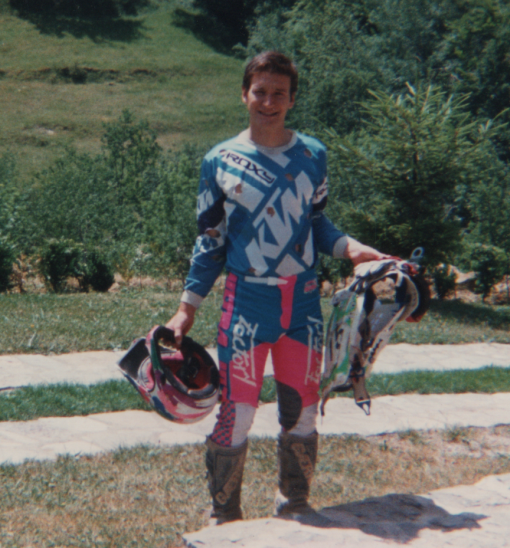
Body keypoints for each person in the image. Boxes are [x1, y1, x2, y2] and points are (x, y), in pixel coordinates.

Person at [165, 51, 388, 525]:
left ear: (292, 100)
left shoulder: (313, 155)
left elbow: (316, 223)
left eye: (278, 94)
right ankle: (224, 518)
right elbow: (210, 243)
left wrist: (350, 248)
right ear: (244, 94)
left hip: (303, 306)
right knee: (238, 414)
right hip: (246, 304)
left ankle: (296, 508)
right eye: (259, 91)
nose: (268, 102)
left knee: (304, 412)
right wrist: (187, 309)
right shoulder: (218, 161)